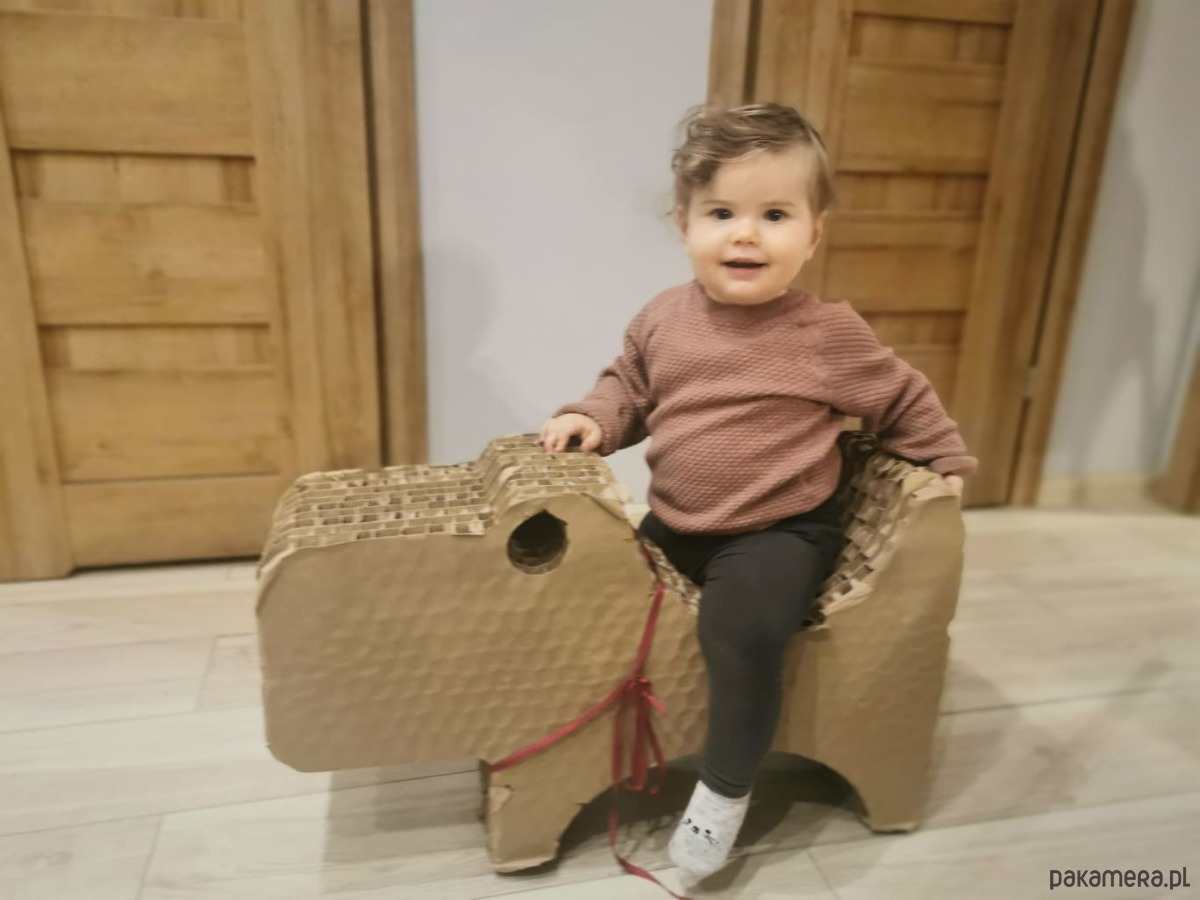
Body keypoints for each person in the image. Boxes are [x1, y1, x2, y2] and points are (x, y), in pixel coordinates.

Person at [539, 102, 976, 883]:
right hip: (677, 520)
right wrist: (591, 418)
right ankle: (606, 730)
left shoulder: (825, 334)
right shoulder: (663, 318)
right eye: (722, 213)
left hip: (779, 531)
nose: (746, 235)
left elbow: (901, 396)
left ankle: (723, 791)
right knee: (602, 593)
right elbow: (628, 388)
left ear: (813, 234)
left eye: (774, 215)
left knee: (741, 630)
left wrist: (942, 458)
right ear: (684, 226)